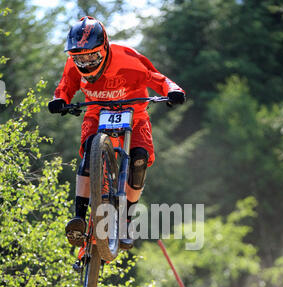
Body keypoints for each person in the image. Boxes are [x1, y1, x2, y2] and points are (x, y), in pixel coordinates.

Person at [48, 16, 186, 249]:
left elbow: (159, 79)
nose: (86, 63)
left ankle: (126, 220)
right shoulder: (73, 64)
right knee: (90, 150)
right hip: (96, 112)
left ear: (105, 48)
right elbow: (66, 86)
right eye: (79, 57)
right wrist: (59, 100)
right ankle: (79, 219)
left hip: (136, 115)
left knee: (140, 159)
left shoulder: (128, 58)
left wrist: (173, 91)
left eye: (92, 56)